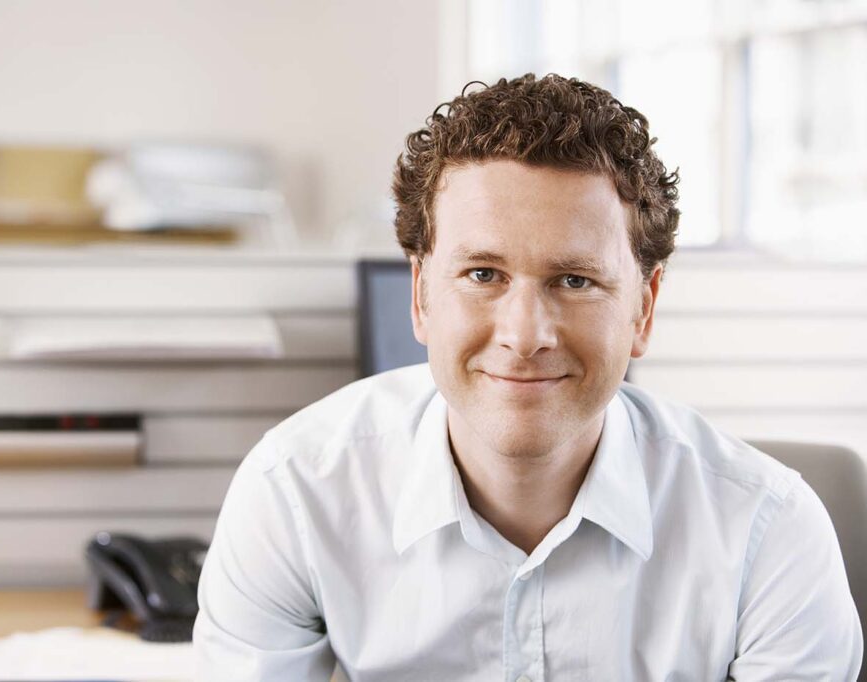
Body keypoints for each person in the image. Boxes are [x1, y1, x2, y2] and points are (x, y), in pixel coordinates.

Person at [194, 74, 863, 680]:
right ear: (422, 294)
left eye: (575, 280)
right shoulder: (296, 493)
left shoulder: (769, 533)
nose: (524, 335)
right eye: (483, 275)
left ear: (644, 308)